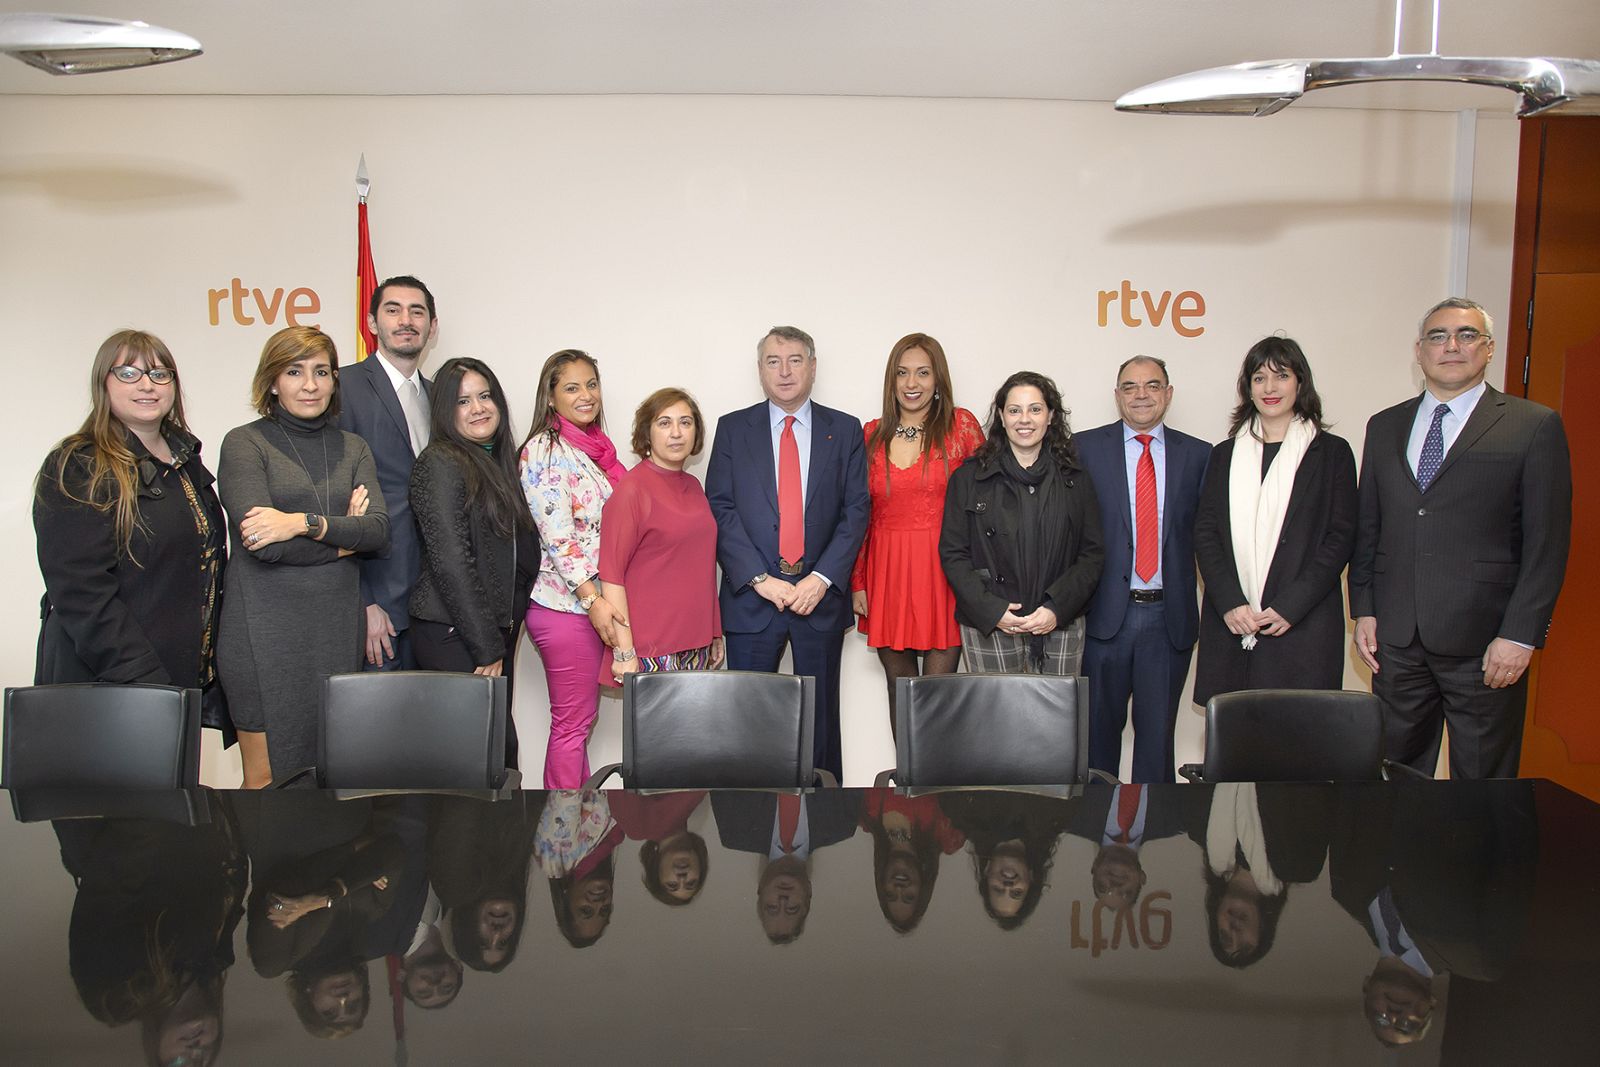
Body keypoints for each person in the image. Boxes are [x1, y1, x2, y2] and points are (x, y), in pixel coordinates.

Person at [1349, 298, 1572, 779]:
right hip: (1397, 642)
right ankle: (1400, 859)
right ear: (1420, 350)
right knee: (1391, 778)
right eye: (1438, 336)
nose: (1451, 346)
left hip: (1486, 646)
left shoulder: (1533, 425)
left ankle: (1479, 859)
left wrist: (1520, 635)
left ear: (1488, 349)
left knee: (1482, 787)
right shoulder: (1385, 425)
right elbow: (1370, 527)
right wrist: (1363, 609)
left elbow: (1546, 545)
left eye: (1466, 335)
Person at [33, 330, 230, 742]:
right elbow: (81, 592)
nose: (146, 384)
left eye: (160, 374)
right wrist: (146, 683)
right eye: (128, 372)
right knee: (108, 808)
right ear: (103, 382)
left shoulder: (184, 462)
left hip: (175, 684)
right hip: (112, 686)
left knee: (172, 806)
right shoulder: (79, 464)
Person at [216, 327, 390, 787]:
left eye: (321, 372)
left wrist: (300, 523)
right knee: (268, 776)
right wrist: (342, 539)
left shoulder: (353, 447)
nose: (310, 384)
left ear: (335, 381)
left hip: (335, 629)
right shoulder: (244, 443)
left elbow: (377, 530)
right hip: (262, 632)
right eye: (295, 372)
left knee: (333, 774)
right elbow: (264, 544)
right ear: (273, 381)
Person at [706, 326, 870, 782]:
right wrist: (760, 578)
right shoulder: (733, 429)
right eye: (773, 361)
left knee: (820, 724)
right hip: (752, 599)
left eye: (795, 359)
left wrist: (821, 580)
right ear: (759, 369)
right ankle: (750, 836)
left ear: (813, 367)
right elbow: (719, 506)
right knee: (749, 722)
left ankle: (822, 832)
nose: (784, 371)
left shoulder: (846, 429)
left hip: (820, 600)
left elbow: (856, 510)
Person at [1192, 337, 1357, 706]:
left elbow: (1340, 537)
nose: (1270, 388)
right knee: (1236, 744)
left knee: (1298, 743)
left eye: (1281, 376)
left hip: (1302, 626)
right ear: (1247, 388)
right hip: (1234, 624)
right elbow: (1206, 534)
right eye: (1259, 377)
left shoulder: (1332, 454)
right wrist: (1230, 603)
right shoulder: (1225, 455)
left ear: (1300, 382)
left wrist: (1291, 606)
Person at [1076, 356, 1210, 783]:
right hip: (1104, 618)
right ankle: (1097, 839)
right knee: (1097, 741)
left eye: (1152, 385)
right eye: (1130, 386)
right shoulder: (1083, 449)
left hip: (1167, 619)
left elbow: (1209, 538)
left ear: (1168, 394)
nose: (1141, 394)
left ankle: (1150, 843)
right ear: (1117, 395)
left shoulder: (1201, 455)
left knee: (1156, 741)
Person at [409, 357, 540, 768]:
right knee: (477, 764)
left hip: (489, 633)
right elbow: (452, 561)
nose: (478, 408)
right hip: (456, 635)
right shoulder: (441, 462)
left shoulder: (496, 463)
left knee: (496, 758)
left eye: (485, 396)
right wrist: (486, 647)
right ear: (446, 412)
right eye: (463, 401)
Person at [850, 333, 986, 725]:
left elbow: (987, 503)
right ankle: (908, 786)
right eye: (902, 373)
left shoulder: (962, 427)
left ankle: (936, 786)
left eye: (923, 373)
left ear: (938, 378)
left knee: (938, 699)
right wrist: (857, 581)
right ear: (891, 381)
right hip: (886, 573)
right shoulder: (871, 434)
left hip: (946, 572)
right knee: (900, 693)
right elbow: (861, 513)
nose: (912, 384)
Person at [939, 370, 1104, 675]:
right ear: (1001, 417)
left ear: (1051, 416)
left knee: (1057, 722)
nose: (1024, 419)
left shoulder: (1075, 478)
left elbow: (1091, 554)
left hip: (1060, 621)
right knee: (997, 720)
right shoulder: (969, 478)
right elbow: (953, 553)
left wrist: (1057, 608)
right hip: (991, 621)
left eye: (1035, 409)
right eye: (1014, 410)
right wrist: (992, 610)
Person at [519, 350, 628, 788]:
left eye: (591, 384)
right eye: (572, 387)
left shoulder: (595, 449)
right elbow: (558, 537)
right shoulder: (544, 450)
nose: (586, 395)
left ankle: (580, 842)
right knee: (571, 727)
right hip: (567, 608)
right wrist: (594, 601)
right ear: (550, 397)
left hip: (588, 604)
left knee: (579, 725)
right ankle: (559, 848)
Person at [338, 275, 438, 672]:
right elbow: (334, 503)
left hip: (433, 604)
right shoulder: (341, 388)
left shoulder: (442, 395)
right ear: (373, 322)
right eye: (393, 310)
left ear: (432, 327)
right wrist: (363, 602)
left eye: (417, 311)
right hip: (377, 600)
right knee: (377, 729)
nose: (406, 320)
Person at [598, 388, 725, 684]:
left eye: (686, 422)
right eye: (664, 423)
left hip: (697, 643)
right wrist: (624, 651)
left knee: (694, 731)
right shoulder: (632, 489)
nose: (677, 433)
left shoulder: (694, 486)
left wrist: (714, 631)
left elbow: (702, 567)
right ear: (647, 433)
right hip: (650, 648)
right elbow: (611, 575)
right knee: (656, 732)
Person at [711, 791, 862, 945]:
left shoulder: (733, 828)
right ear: (808, 893)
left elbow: (719, 769)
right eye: (792, 908)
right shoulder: (842, 823)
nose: (783, 899)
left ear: (760, 890)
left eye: (772, 907)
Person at [938, 791, 1071, 931]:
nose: (1008, 885)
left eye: (998, 889)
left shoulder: (959, 810)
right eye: (1017, 892)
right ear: (1031, 877)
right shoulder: (1060, 813)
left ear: (987, 871)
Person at [859, 793, 965, 933]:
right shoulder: (948, 836)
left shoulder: (866, 816)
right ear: (923, 889)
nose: (899, 888)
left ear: (882, 883)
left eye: (890, 895)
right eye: (909, 897)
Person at [534, 790, 621, 949]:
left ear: (565, 899)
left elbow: (568, 786)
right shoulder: (610, 840)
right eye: (604, 910)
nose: (598, 903)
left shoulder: (557, 856)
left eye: (586, 910)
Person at [609, 790, 711, 906]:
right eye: (691, 883)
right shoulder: (699, 809)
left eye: (672, 885)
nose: (682, 878)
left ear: (656, 872)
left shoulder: (637, 827)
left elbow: (617, 780)